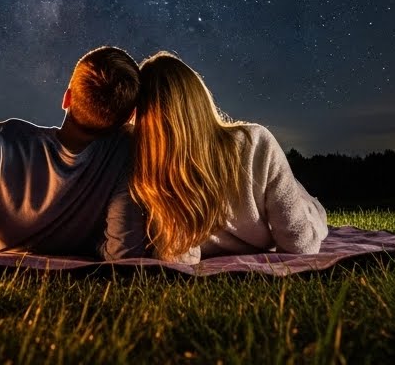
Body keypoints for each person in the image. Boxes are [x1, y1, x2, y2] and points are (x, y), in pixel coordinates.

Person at [0, 45, 147, 260]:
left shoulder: (6, 139)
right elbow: (123, 253)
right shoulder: (126, 153)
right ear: (129, 116)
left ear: (66, 98)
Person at [129, 51, 328, 264]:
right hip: (270, 192)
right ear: (200, 100)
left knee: (308, 207)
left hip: (304, 206)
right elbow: (178, 259)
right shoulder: (256, 142)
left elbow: (302, 245)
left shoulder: (256, 145)